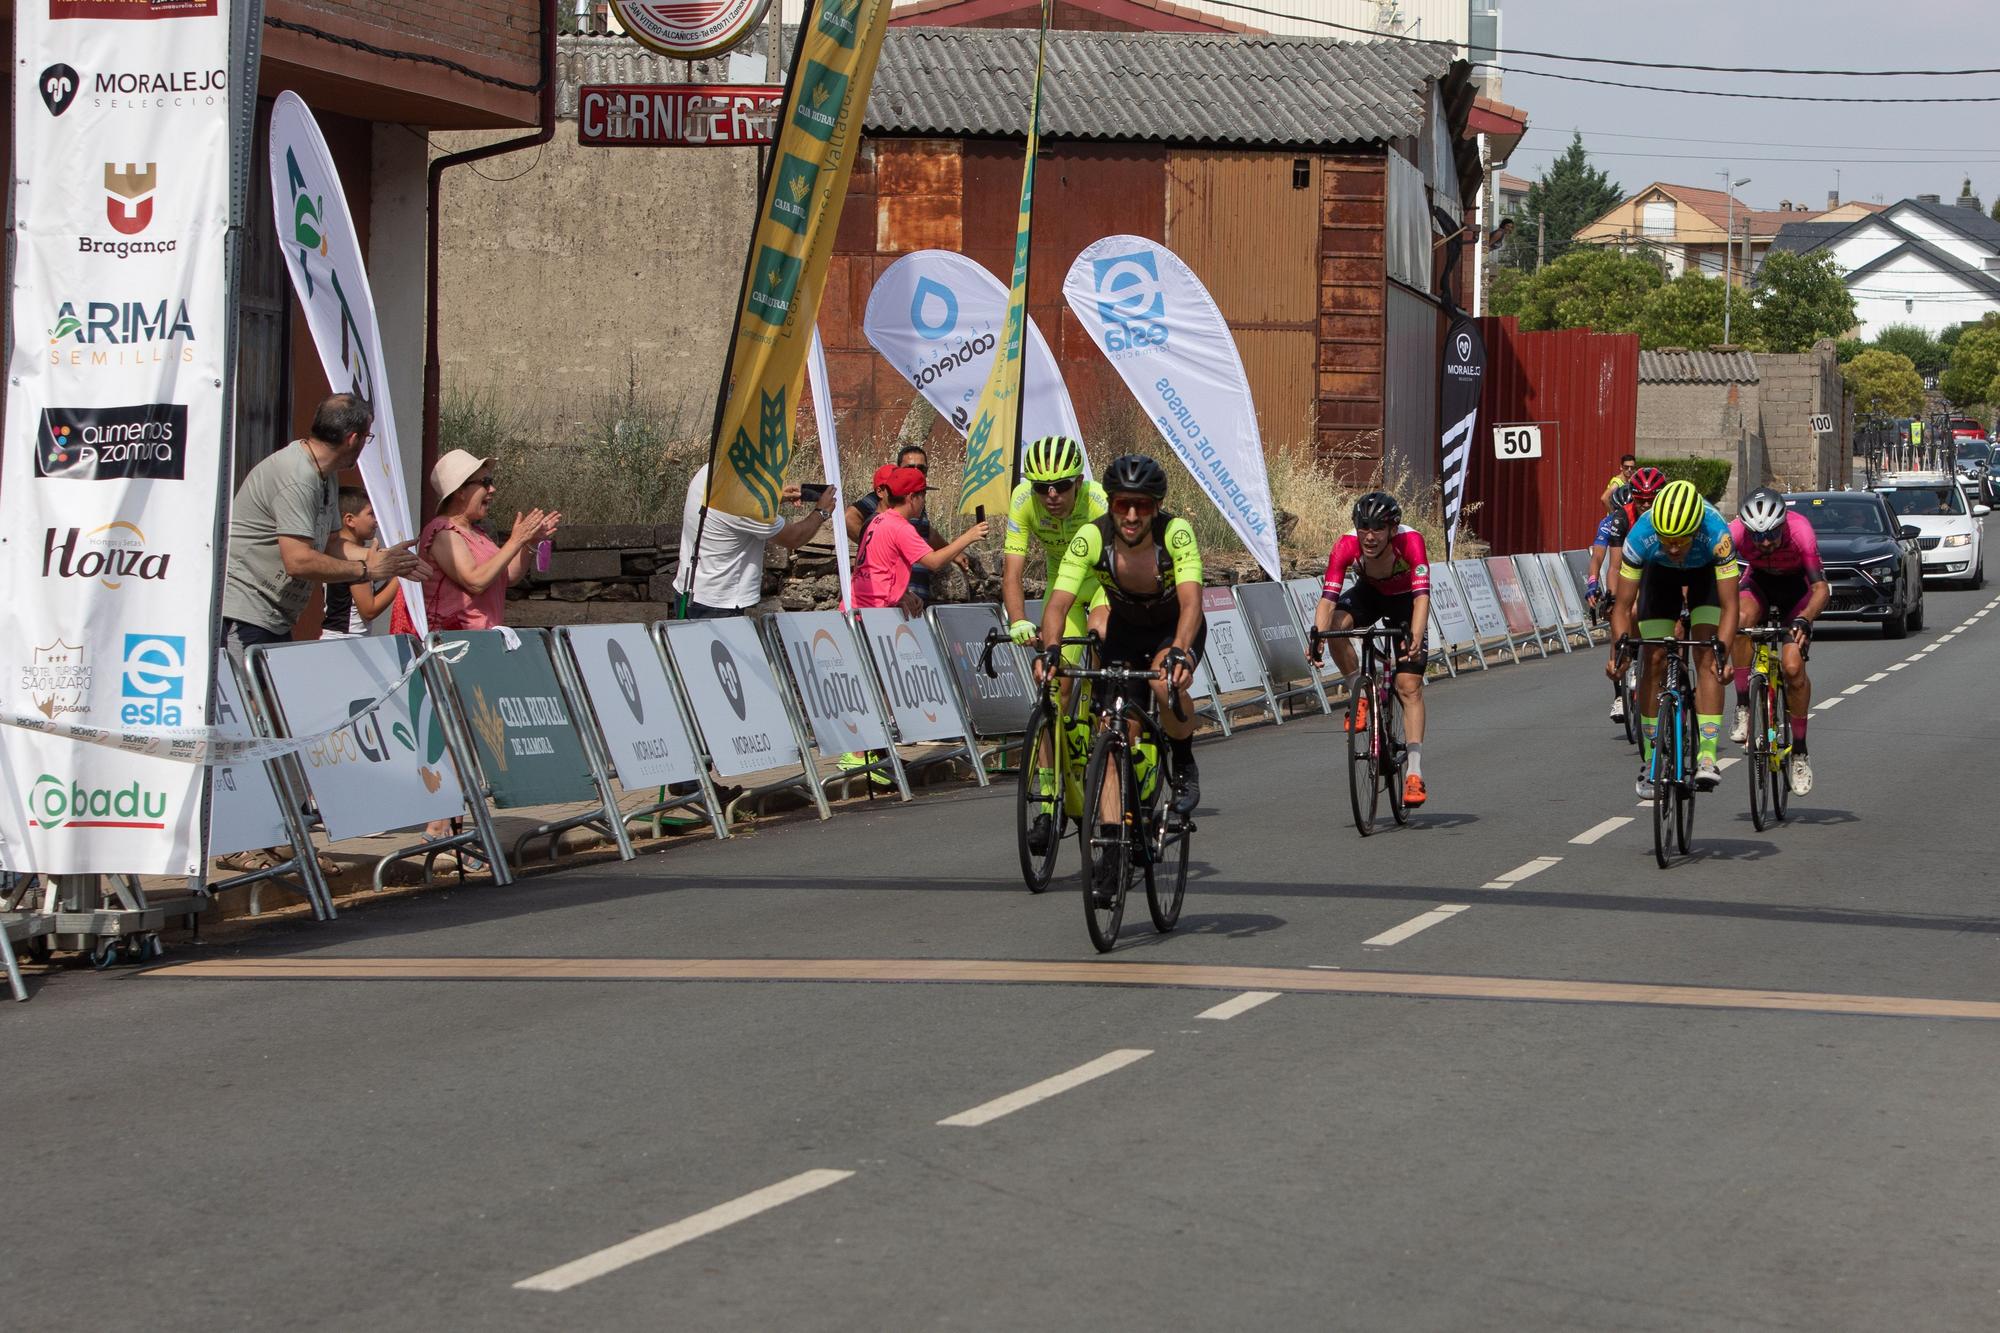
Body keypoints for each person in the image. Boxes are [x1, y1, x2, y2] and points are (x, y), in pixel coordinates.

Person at [1040, 455, 1203, 903]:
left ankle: (1184, 762)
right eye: (1123, 505)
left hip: (1174, 626)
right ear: (1110, 504)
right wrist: (1051, 649)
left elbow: (1191, 603)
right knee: (1110, 738)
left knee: (1161, 682)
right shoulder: (1091, 536)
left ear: (1156, 507)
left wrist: (1182, 653)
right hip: (1127, 628)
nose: (1132, 516)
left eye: (1143, 507)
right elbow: (1058, 603)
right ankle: (1112, 851)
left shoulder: (1176, 533)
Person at [220, 394, 427, 655]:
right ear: (353, 439)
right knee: (249, 696)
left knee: (270, 695)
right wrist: (365, 569)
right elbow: (298, 561)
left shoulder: (324, 475)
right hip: (245, 613)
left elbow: (331, 543)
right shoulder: (297, 477)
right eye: (367, 437)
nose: (366, 443)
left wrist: (389, 559)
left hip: (273, 615)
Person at [1000, 436, 1110, 855]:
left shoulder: (1099, 501)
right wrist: (1017, 621)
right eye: (1043, 485)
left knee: (1103, 638)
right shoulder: (1024, 499)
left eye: (1062, 486)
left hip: (1101, 586)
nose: (1051, 495)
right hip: (1061, 588)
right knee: (1052, 688)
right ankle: (1048, 803)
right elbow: (1011, 572)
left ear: (1079, 482)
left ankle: (1102, 718)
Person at [1608, 478, 1740, 797]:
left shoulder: (1717, 534)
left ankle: (1707, 755)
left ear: (1696, 530)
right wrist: (1619, 652)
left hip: (1704, 575)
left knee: (1708, 654)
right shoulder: (1641, 535)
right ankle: (1652, 761)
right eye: (1667, 540)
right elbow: (1623, 605)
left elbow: (1731, 604)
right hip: (1660, 577)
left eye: (1680, 541)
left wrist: (1724, 652)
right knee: (1652, 657)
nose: (1674, 548)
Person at [1310, 491, 1434, 807]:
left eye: (1378, 528)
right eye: (1363, 526)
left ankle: (1414, 774)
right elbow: (1328, 598)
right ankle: (1362, 695)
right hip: (1369, 593)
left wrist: (1415, 637)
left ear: (1393, 529)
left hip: (1406, 600)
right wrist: (1318, 636)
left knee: (1409, 687)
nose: (1369, 535)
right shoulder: (1345, 545)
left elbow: (1421, 598)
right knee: (1336, 626)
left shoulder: (1411, 543)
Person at [1727, 487, 1826, 795]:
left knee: (1793, 668)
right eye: (1758, 537)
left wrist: (1804, 619)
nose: (1766, 542)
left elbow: (1821, 589)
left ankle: (1799, 751)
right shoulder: (1733, 534)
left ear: (1783, 524)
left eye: (1771, 534)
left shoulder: (1801, 533)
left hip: (1797, 593)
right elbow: (1716, 577)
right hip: (1759, 584)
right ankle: (1743, 705)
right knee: (1739, 623)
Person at [418, 450, 560, 631]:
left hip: (482, 640)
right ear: (460, 491)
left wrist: (529, 542)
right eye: (485, 483)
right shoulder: (443, 532)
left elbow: (508, 576)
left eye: (491, 482)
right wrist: (515, 541)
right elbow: (475, 581)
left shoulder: (477, 533)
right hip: (454, 645)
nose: (492, 489)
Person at [675, 463, 837, 617]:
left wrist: (771, 498)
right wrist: (821, 512)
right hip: (721, 604)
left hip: (688, 590)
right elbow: (795, 537)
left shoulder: (709, 470)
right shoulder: (744, 501)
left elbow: (735, 507)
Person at [844, 444, 964, 607]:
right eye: (910, 468)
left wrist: (902, 594)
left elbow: (929, 534)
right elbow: (849, 517)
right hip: (876, 608)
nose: (916, 472)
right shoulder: (888, 511)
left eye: (921, 468)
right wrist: (969, 536)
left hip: (900, 600)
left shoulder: (895, 516)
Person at [1590, 465, 1667, 721]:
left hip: (1660, 569)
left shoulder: (1666, 514)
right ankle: (1620, 694)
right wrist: (1612, 597)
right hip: (1630, 569)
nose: (1645, 504)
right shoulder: (1621, 518)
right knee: (1620, 615)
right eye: (1640, 499)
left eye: (1650, 499)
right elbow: (1614, 565)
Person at [319, 488, 398, 639]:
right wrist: (400, 578)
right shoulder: (355, 556)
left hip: (342, 638)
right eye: (371, 514)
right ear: (349, 520)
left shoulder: (340, 549)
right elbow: (369, 609)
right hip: (345, 642)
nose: (376, 520)